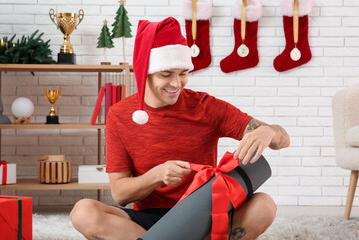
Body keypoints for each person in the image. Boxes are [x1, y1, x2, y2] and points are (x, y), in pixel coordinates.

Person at [70, 17, 290, 240]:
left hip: (206, 213)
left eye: (183, 73)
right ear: (144, 71)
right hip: (150, 220)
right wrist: (158, 175)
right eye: (166, 75)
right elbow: (119, 194)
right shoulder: (120, 115)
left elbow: (284, 139)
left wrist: (269, 131)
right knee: (83, 212)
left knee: (264, 205)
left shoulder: (205, 107)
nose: (176, 84)